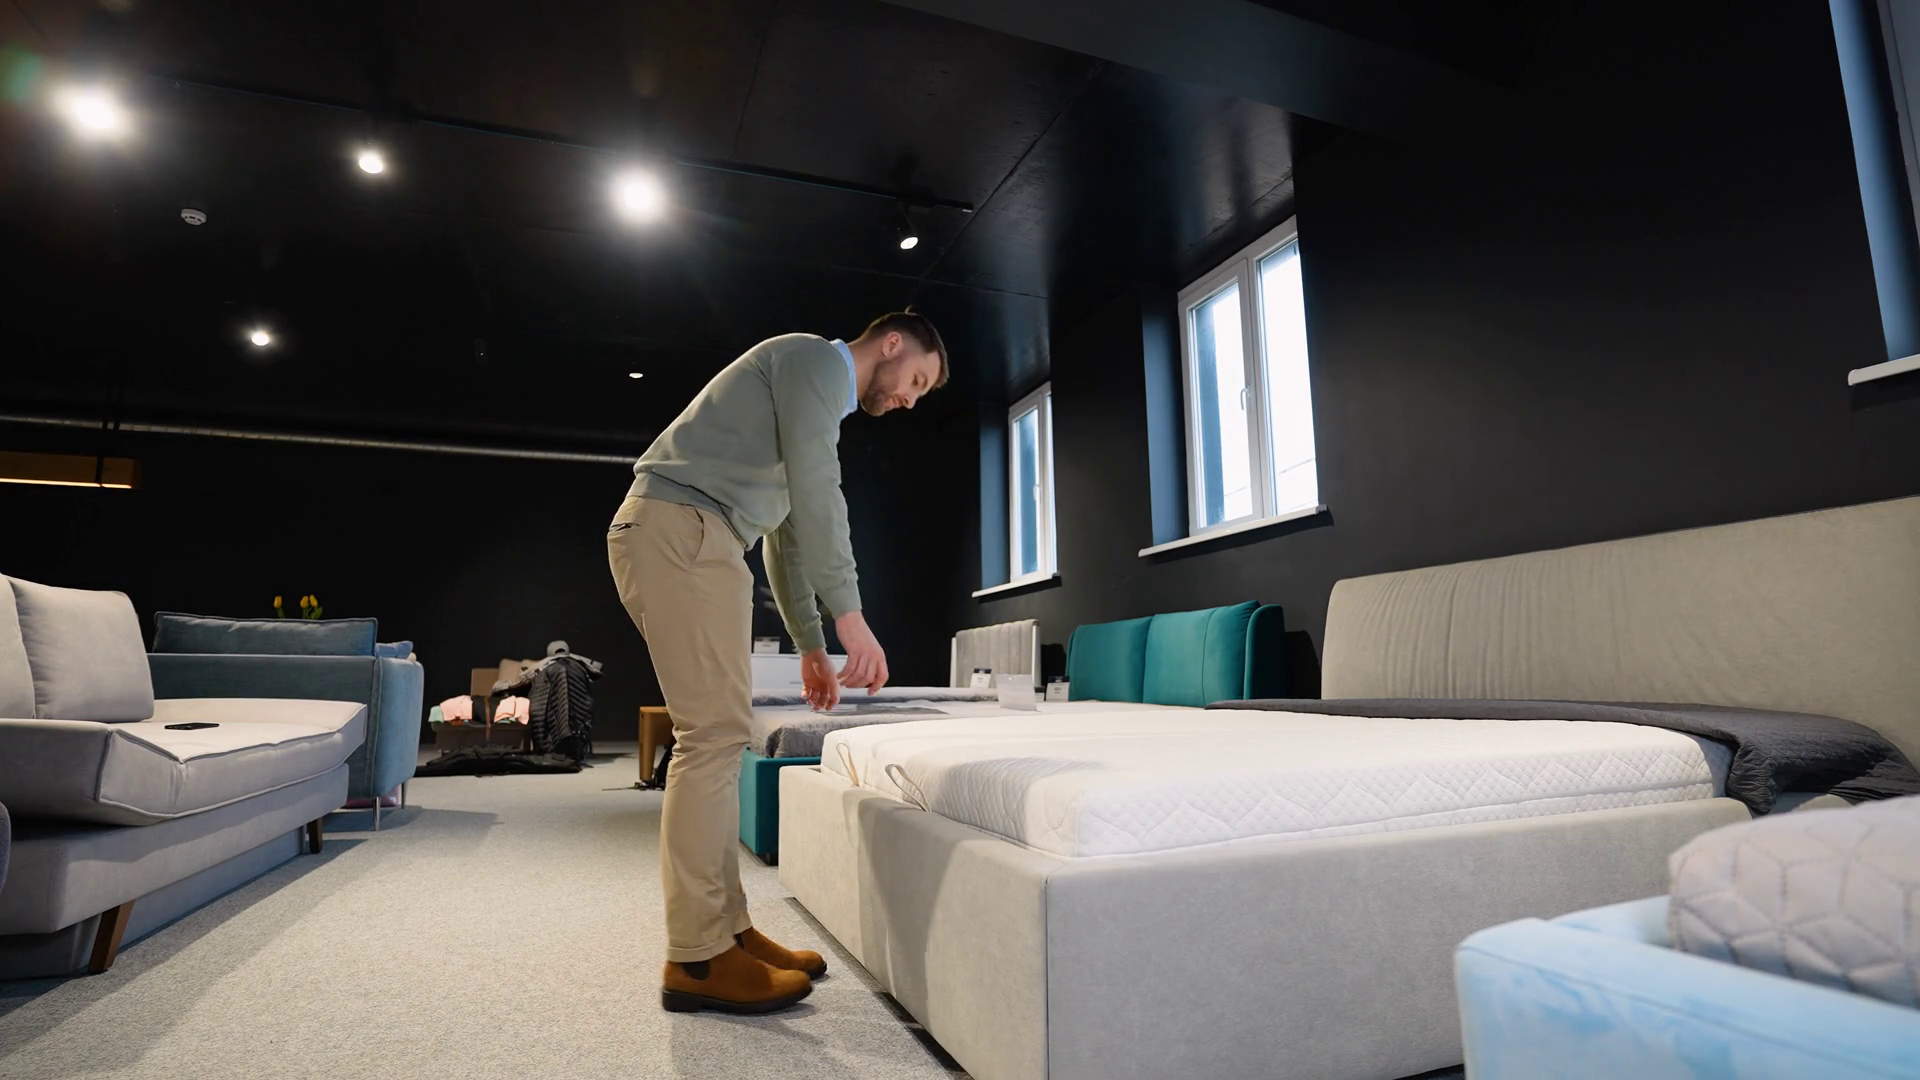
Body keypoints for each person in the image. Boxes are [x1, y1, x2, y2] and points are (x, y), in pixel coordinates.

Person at [607, 310, 949, 1015]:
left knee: (721, 736)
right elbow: (821, 492)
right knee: (710, 739)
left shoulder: (809, 400)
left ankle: (729, 930)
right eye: (916, 380)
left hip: (703, 537)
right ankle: (698, 957)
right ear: (891, 344)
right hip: (684, 530)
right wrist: (850, 615)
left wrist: (812, 646)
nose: (910, 400)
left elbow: (786, 541)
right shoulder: (813, 361)